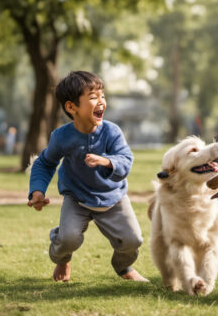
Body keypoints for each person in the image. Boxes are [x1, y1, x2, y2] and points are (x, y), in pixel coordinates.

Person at [27, 71, 148, 283]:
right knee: (67, 239)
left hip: (113, 196)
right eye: (93, 97)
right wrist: (37, 191)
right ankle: (63, 258)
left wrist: (107, 161)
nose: (101, 101)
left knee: (133, 239)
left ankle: (123, 266)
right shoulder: (62, 137)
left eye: (102, 96)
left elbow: (125, 159)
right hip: (77, 197)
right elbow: (45, 163)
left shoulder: (112, 132)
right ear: (71, 107)